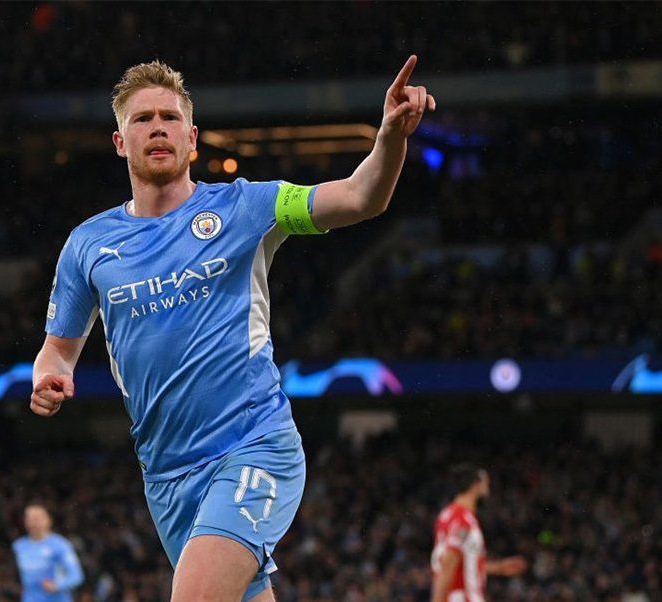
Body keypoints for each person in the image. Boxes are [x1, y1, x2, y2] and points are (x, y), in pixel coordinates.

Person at [31, 57, 435, 601]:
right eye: (143, 119)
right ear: (120, 142)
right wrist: (49, 377)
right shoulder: (88, 244)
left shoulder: (247, 205)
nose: (158, 128)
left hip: (253, 446)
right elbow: (57, 350)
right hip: (166, 477)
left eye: (170, 118)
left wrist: (389, 138)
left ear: (192, 138)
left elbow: (360, 197)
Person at [430, 464, 528, 602]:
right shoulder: (463, 521)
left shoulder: (447, 514)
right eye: (484, 481)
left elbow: (460, 564)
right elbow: (448, 562)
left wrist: (499, 568)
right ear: (475, 485)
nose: (487, 485)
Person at [12, 503, 84, 602]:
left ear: (48, 520)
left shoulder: (60, 545)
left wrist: (57, 585)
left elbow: (76, 576)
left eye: (37, 518)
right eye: (30, 518)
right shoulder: (18, 546)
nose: (34, 522)